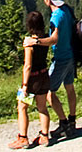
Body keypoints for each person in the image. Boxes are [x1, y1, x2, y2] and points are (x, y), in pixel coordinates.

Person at [23, 0, 80, 138]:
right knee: (69, 88)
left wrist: (35, 41)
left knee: (48, 93)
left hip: (61, 58)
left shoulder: (56, 17)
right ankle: (72, 120)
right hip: (71, 56)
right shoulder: (66, 10)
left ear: (47, 0)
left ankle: (63, 123)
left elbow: (53, 39)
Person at [10, 11, 55, 149]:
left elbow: (27, 65)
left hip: (33, 79)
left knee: (22, 107)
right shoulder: (44, 39)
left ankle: (23, 138)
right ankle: (44, 136)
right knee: (42, 107)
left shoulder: (29, 43)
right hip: (44, 75)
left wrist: (24, 85)